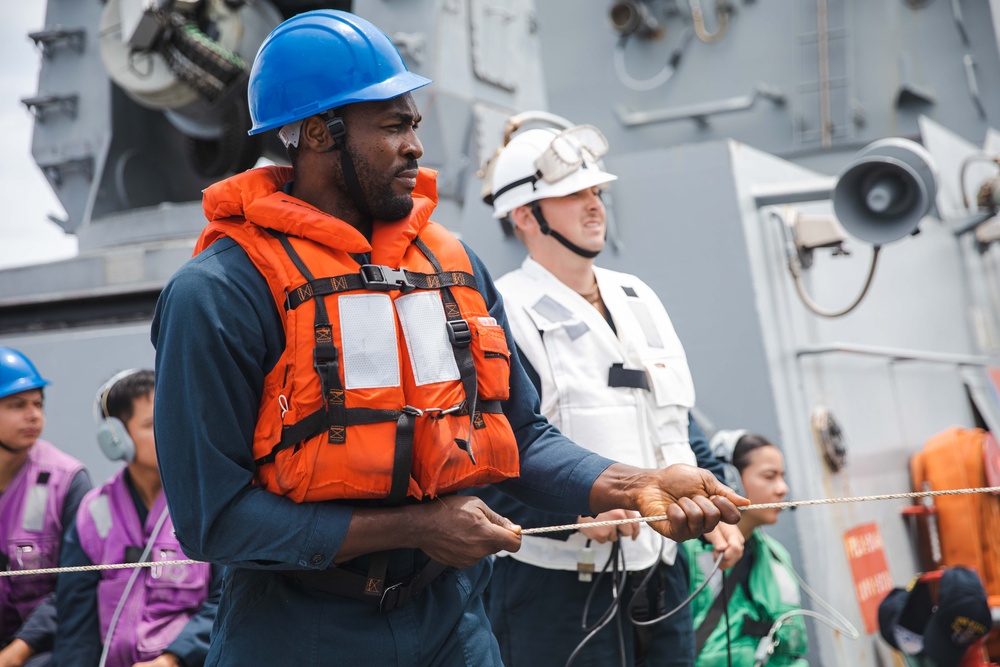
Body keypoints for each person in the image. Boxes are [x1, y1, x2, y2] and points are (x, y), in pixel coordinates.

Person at [149, 10, 746, 666]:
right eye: (394, 126)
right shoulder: (218, 292)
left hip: (449, 622)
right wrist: (416, 526)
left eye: (415, 125)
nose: (414, 147)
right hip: (297, 628)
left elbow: (521, 432)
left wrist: (635, 484)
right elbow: (214, 518)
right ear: (320, 134)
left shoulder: (451, 265)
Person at [474, 122, 745, 667]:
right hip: (555, 589)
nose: (594, 204)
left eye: (596, 191)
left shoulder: (637, 295)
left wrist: (721, 489)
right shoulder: (504, 312)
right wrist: (578, 511)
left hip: (665, 574)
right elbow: (488, 457)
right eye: (573, 194)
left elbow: (674, 418)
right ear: (526, 215)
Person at [54, 370, 221, 667]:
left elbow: (228, 600)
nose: (168, 430)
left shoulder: (208, 502)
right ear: (116, 438)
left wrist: (173, 659)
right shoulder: (93, 512)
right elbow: (76, 623)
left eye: (172, 416)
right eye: (150, 423)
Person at [683, 431, 808, 667]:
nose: (783, 488)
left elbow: (792, 654)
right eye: (769, 477)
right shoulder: (687, 552)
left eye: (782, 477)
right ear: (731, 481)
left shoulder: (777, 557)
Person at [0, 347, 91, 667]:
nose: (33, 415)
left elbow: (75, 584)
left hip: (43, 648)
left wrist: (17, 652)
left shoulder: (67, 480)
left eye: (38, 404)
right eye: (17, 405)